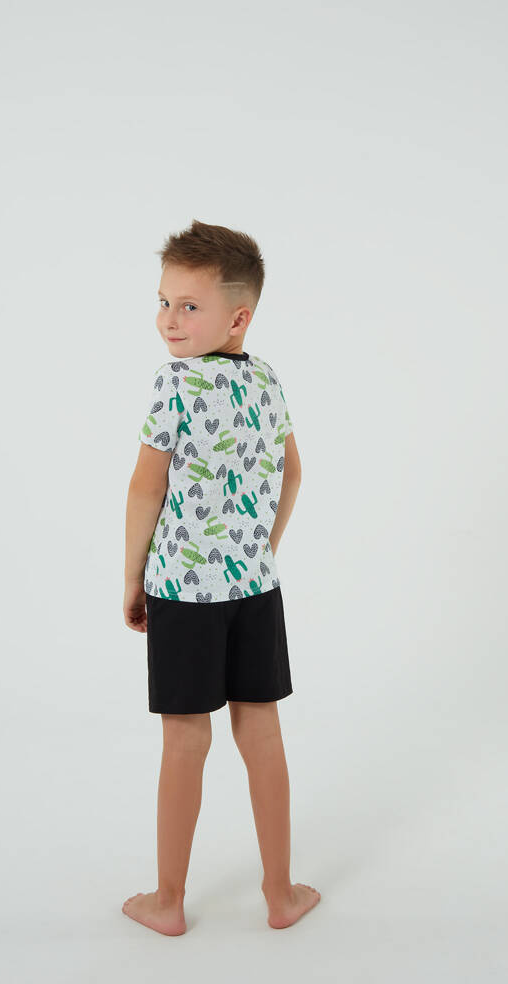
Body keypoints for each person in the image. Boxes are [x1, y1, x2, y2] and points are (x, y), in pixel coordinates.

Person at [122, 219, 321, 935]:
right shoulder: (266, 379)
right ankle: (281, 893)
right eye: (163, 301)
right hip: (254, 587)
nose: (168, 320)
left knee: (185, 739)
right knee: (261, 732)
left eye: (188, 306)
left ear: (238, 317)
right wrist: (259, 548)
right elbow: (292, 473)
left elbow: (146, 488)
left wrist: (133, 577)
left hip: (183, 590)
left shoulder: (174, 383)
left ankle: (168, 901)